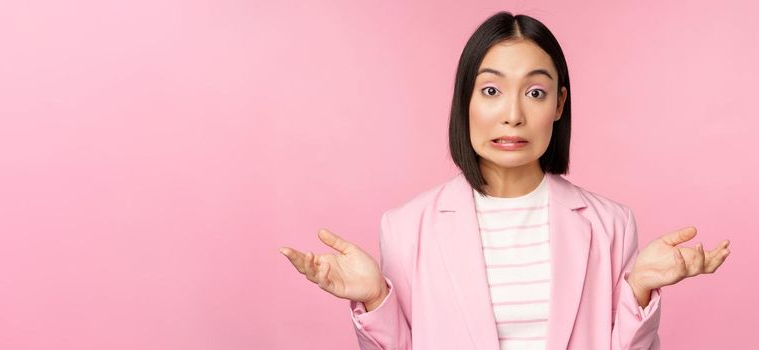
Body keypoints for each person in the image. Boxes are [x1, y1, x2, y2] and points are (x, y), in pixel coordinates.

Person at [279, 11, 731, 350]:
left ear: (559, 104)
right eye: (491, 90)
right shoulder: (405, 226)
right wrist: (376, 299)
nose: (513, 115)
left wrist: (639, 293)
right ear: (466, 101)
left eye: (535, 92)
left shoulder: (611, 223)